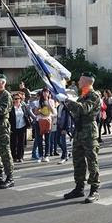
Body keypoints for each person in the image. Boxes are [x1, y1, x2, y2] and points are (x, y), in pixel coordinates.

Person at [59, 72, 102, 203]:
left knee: (92, 161)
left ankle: (94, 189)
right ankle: (79, 188)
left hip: (89, 132)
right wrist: (65, 103)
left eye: (80, 80)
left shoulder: (93, 96)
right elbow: (75, 110)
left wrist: (66, 100)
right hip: (79, 131)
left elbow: (83, 109)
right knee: (77, 161)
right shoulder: (82, 96)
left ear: (87, 82)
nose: (78, 82)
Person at [33, 88, 56, 162]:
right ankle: (40, 155)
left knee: (47, 139)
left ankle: (46, 155)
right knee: (39, 139)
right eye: (44, 92)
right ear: (42, 93)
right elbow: (35, 113)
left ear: (49, 93)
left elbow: (53, 112)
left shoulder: (51, 101)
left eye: (47, 92)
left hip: (47, 121)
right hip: (39, 121)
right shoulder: (38, 101)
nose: (45, 93)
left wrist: (48, 104)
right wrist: (40, 108)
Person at [9, 92, 32, 163]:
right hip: (14, 127)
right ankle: (14, 157)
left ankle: (20, 156)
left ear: (20, 99)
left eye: (18, 99)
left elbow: (27, 114)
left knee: (21, 143)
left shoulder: (23, 106)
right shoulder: (11, 108)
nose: (16, 100)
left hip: (22, 126)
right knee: (13, 143)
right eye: (15, 99)